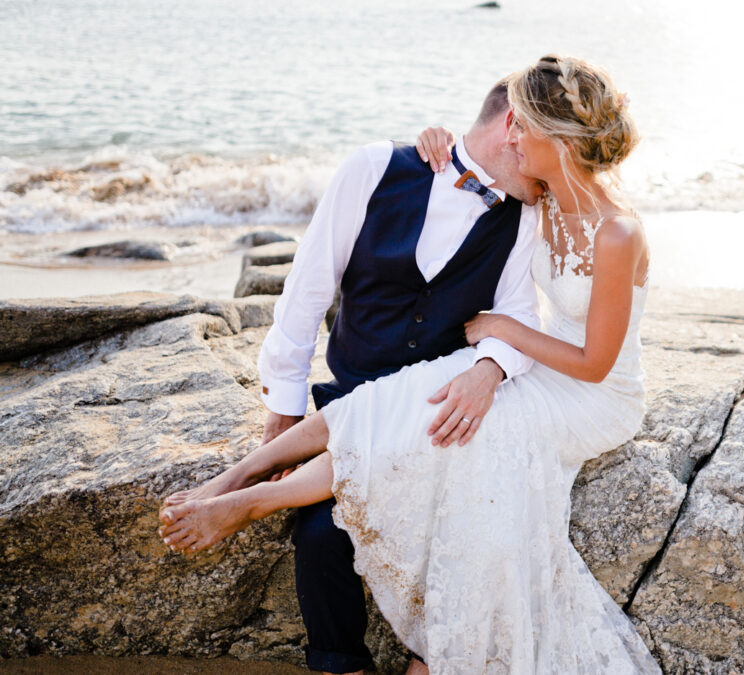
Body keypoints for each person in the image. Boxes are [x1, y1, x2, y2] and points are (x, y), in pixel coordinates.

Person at [158, 54, 660, 674]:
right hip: (364, 380)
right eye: (519, 128)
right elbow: (306, 292)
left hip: (569, 388)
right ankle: (237, 484)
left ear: (540, 137)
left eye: (531, 133)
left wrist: (491, 362)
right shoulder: (385, 171)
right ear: (511, 128)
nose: (521, 144)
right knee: (333, 510)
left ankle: (266, 516)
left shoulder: (540, 209)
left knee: (354, 508)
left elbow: (527, 321)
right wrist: (279, 419)